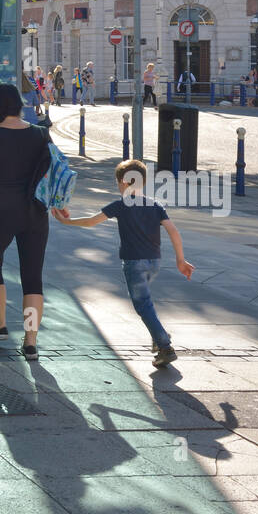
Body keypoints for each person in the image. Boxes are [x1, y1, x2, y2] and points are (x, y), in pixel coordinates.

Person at [58, 157, 194, 366]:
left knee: (142, 305)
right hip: (154, 262)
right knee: (146, 302)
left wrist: (66, 221)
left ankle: (165, 345)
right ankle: (159, 337)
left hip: (134, 263)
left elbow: (91, 221)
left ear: (122, 182)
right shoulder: (154, 205)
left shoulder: (120, 205)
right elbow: (173, 231)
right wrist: (180, 259)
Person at [0, 83, 53, 359]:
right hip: (35, 213)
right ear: (19, 104)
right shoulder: (42, 134)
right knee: (32, 278)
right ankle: (30, 341)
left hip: (1, 211)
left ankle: (0, 325)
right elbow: (51, 174)